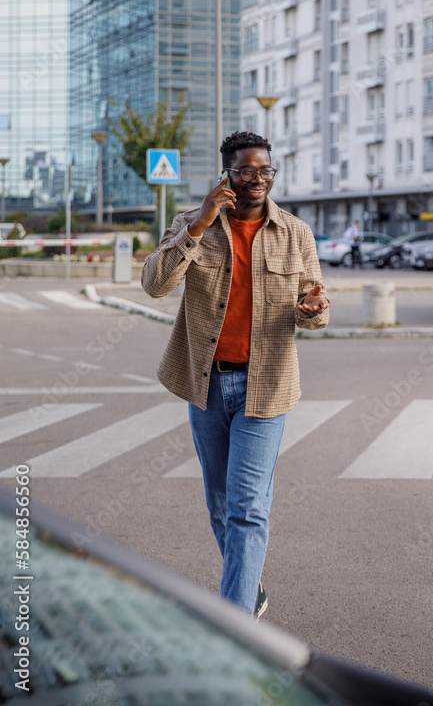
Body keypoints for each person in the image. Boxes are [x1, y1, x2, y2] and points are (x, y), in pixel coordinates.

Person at [142, 131, 330, 618]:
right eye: (246, 171)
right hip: (205, 384)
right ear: (226, 174)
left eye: (266, 171)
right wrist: (200, 224)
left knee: (248, 509)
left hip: (266, 387)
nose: (258, 180)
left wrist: (312, 309)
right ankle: (249, 589)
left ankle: (235, 626)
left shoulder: (295, 232)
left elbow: (316, 308)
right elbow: (155, 285)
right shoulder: (191, 223)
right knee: (221, 505)